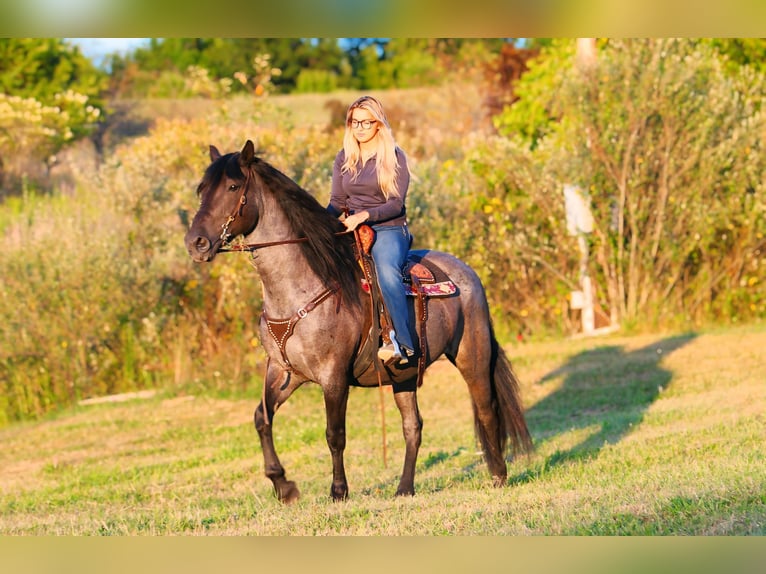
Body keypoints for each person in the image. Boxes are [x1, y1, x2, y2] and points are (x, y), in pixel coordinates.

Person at [326, 95, 415, 364]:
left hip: (388, 228)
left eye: (367, 122)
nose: (360, 128)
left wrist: (364, 215)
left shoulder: (394, 157)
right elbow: (337, 203)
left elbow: (396, 204)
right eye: (355, 122)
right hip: (352, 227)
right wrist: (319, 225)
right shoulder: (344, 157)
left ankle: (402, 342)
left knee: (387, 273)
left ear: (378, 124)